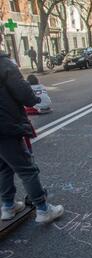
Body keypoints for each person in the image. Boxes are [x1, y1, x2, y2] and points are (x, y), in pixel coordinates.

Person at [0, 34, 64, 223]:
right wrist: (35, 99)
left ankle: (8, 206)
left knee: (4, 167)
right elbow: (24, 92)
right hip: (6, 125)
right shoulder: (4, 64)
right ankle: (43, 210)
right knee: (27, 169)